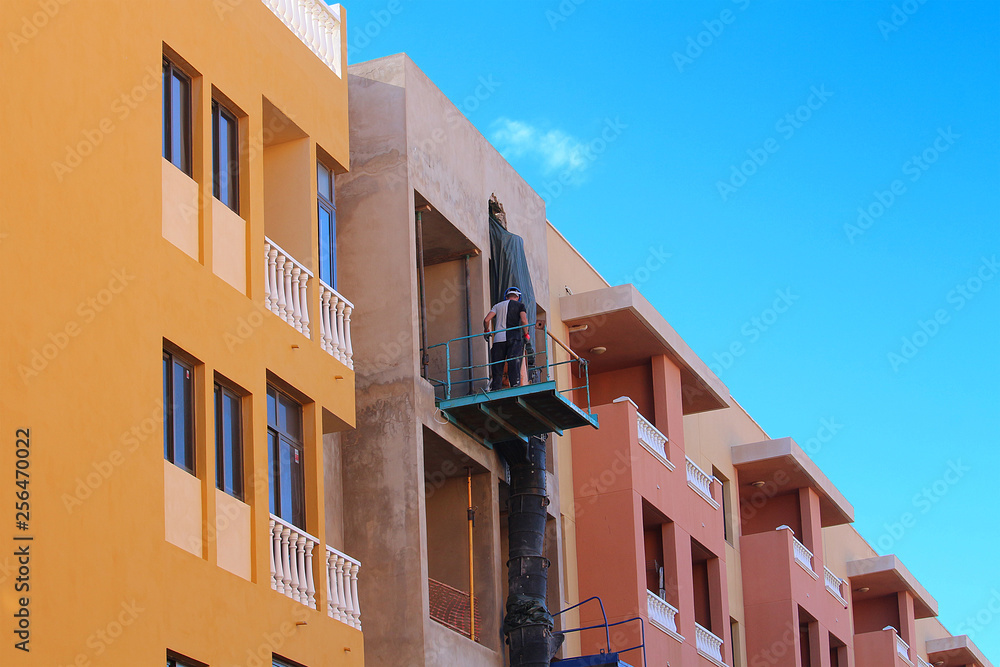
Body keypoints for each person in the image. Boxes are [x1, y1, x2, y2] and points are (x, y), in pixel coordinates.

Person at [483, 286, 530, 389]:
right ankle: (515, 386)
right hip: (513, 338)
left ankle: (496, 388)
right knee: (514, 362)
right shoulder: (520, 306)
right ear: (518, 297)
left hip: (498, 339)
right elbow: (524, 320)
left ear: (506, 296)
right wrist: (526, 334)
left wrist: (486, 331)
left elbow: (486, 320)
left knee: (497, 366)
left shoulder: (497, 306)